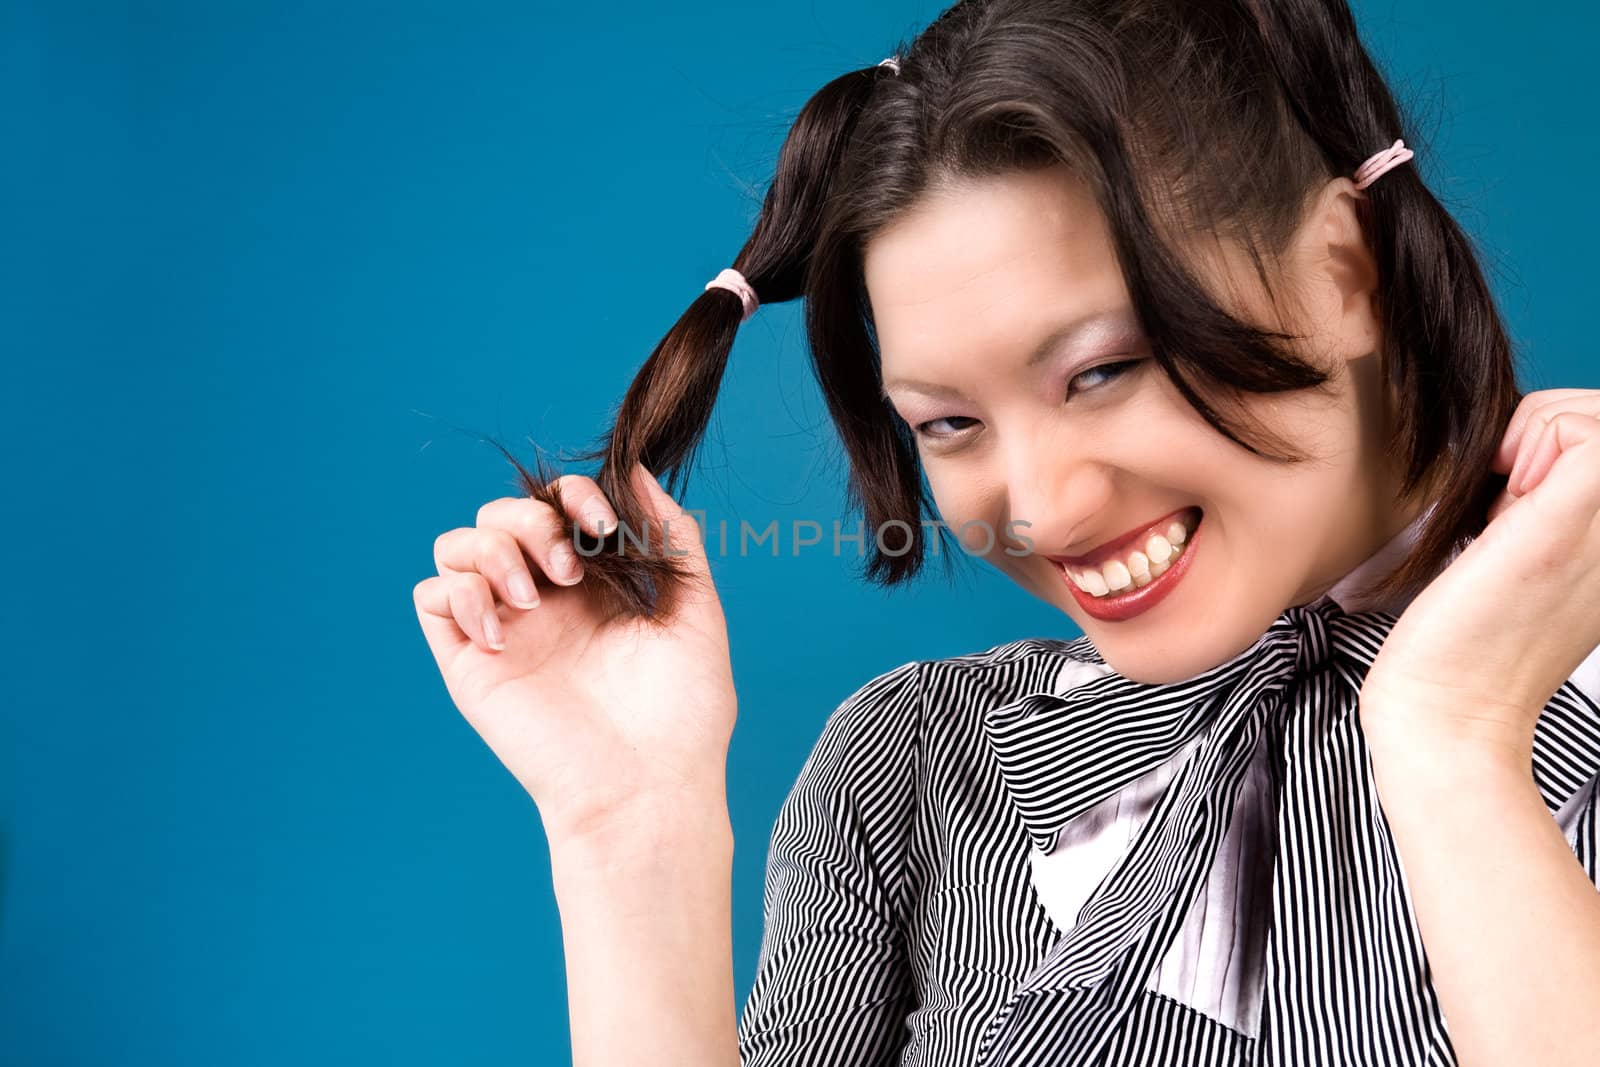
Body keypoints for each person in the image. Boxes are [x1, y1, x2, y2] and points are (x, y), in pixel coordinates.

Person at [411, 1, 1600, 1063]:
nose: (1039, 506)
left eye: (1101, 371)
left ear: (1344, 272)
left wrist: (1454, 736)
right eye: (948, 422)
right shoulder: (912, 765)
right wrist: (632, 827)